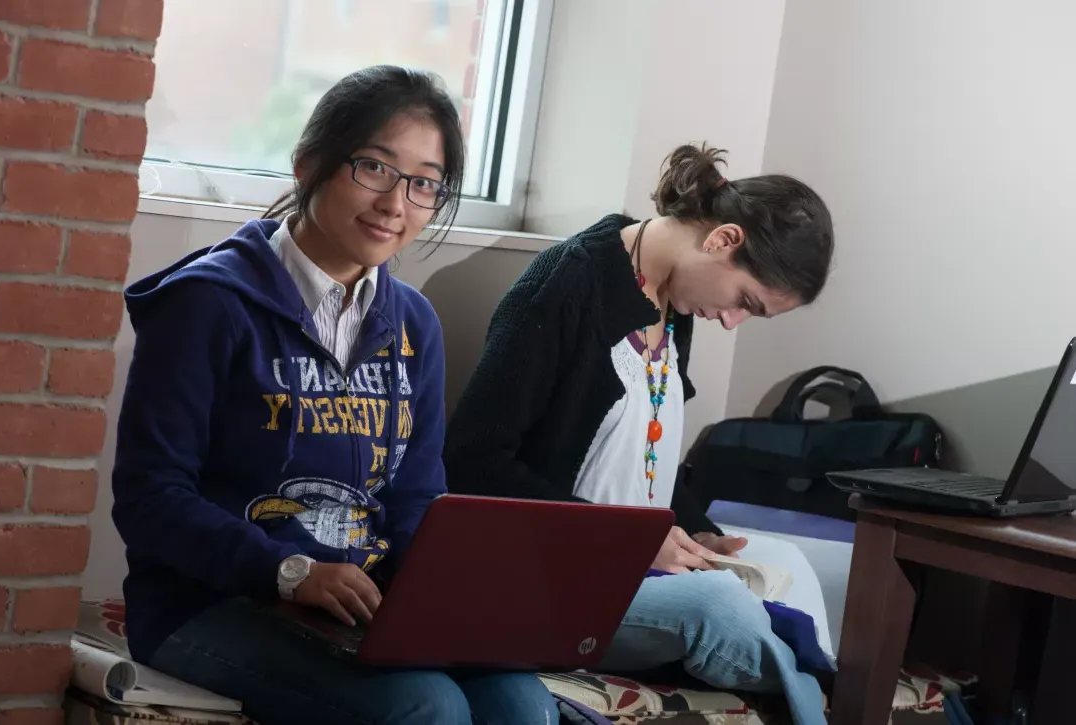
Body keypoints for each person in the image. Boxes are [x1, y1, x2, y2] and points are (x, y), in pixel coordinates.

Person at [112, 66, 560, 725]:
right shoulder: (209, 304)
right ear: (309, 164)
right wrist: (289, 570)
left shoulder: (412, 324)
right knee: (424, 706)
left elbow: (414, 496)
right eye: (374, 167)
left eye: (424, 183)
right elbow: (150, 499)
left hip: (358, 608)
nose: (395, 203)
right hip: (207, 602)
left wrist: (441, 596)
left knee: (522, 702)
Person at [444, 144, 836, 725]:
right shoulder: (563, 288)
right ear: (723, 240)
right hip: (555, 571)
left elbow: (648, 454)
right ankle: (836, 696)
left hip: (635, 560)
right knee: (718, 605)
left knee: (793, 566)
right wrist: (622, 541)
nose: (731, 322)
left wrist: (698, 535)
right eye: (744, 302)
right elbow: (471, 461)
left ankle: (817, 678)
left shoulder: (674, 301)